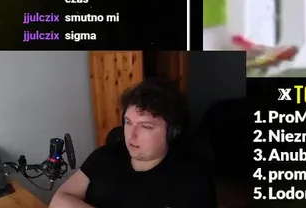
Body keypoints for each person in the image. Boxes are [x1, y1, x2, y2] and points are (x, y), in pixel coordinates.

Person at [49, 79, 216, 208]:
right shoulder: (105, 156)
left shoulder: (192, 181)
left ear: (172, 132)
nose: (131, 134)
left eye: (145, 126)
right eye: (128, 123)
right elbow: (58, 201)